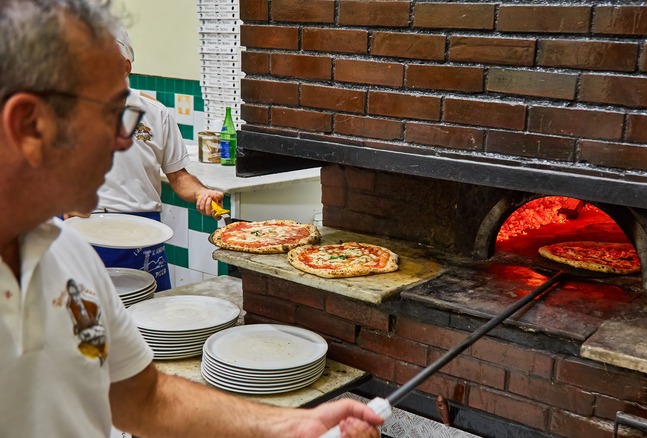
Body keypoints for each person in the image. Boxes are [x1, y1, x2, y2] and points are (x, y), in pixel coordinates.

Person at [0, 1, 383, 437]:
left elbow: (145, 398)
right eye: (109, 116)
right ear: (29, 125)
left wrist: (291, 426)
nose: (124, 142)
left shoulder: (65, 253)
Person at [78, 26, 223, 291]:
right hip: (83, 233)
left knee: (150, 321)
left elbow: (179, 177)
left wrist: (202, 193)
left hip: (142, 235)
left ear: (125, 67)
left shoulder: (156, 115)